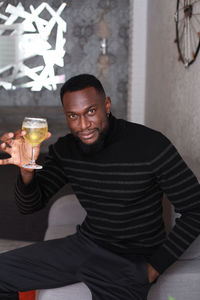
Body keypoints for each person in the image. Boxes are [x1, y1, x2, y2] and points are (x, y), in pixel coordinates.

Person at [0, 74, 200, 300]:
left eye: (91, 112)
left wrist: (153, 268)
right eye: (73, 116)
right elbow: (30, 205)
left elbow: (195, 210)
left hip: (130, 259)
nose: (83, 125)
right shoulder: (67, 149)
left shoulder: (151, 145)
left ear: (107, 105)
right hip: (86, 245)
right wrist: (27, 169)